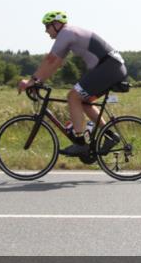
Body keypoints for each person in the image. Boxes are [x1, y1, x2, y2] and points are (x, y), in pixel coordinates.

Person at [16, 11, 128, 156]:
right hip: (110, 67)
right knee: (84, 102)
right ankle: (110, 136)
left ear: (57, 24)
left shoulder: (66, 33)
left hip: (109, 67)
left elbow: (50, 59)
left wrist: (31, 81)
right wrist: (38, 81)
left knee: (73, 96)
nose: (46, 31)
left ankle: (80, 143)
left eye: (47, 26)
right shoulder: (68, 34)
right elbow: (55, 64)